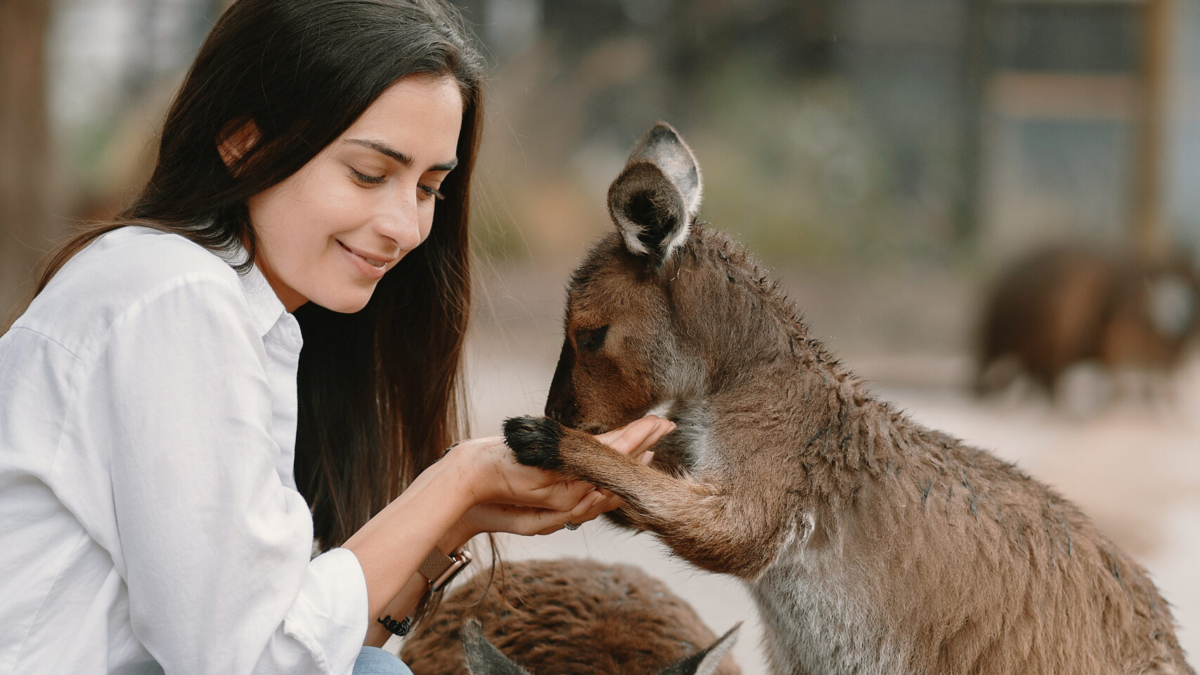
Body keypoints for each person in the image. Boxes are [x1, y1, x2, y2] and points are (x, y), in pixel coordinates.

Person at [0, 1, 673, 673]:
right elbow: (255, 660)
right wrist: (457, 479)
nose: (404, 228)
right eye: (369, 174)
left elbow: (313, 650)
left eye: (429, 188)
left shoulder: (250, 318)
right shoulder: (174, 294)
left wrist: (461, 515)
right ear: (242, 142)